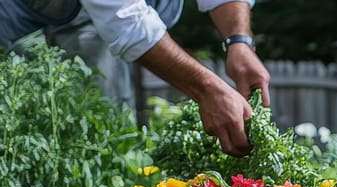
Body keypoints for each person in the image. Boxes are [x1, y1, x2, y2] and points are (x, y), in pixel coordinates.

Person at [0, 0, 271, 156]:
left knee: (103, 134)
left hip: (93, 21)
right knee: (20, 134)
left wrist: (239, 42)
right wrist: (208, 89)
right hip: (18, 22)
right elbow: (126, 22)